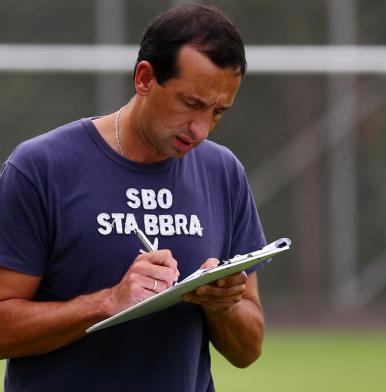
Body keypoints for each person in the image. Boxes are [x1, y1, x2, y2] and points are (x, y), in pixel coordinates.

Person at [0, 4, 267, 392]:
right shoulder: (41, 167)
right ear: (145, 78)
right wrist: (110, 301)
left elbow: (249, 350)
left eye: (219, 112)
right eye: (191, 104)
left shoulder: (222, 172)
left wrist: (219, 304)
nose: (201, 129)